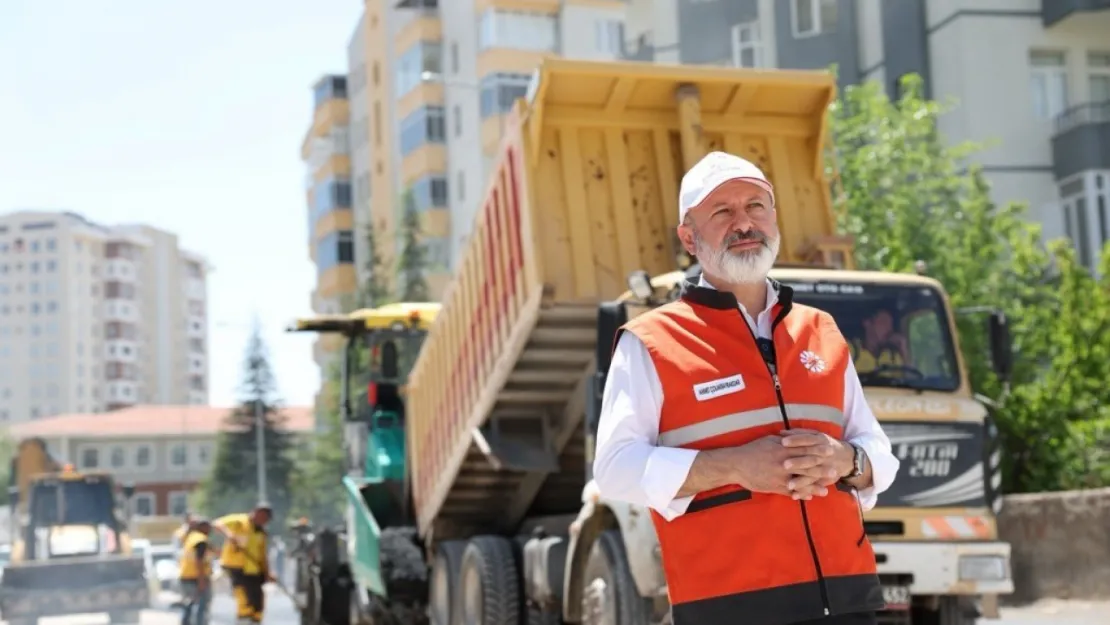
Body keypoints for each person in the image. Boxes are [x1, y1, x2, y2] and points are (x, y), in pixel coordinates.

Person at [592, 151, 900, 625]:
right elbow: (614, 469)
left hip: (847, 599)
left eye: (756, 206)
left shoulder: (822, 329)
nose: (744, 223)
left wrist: (848, 461)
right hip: (729, 606)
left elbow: (877, 450)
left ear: (774, 219)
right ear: (689, 237)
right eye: (723, 212)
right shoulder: (652, 342)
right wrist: (734, 466)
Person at [213, 503, 274, 625]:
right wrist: (229, 534)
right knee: (243, 598)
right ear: (256, 513)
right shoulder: (239, 521)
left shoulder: (261, 534)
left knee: (258, 602)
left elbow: (263, 555)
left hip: (254, 569)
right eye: (262, 517)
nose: (263, 521)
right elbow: (217, 524)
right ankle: (243, 621)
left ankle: (255, 621)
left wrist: (267, 573)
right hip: (236, 567)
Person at [851, 310, 910, 374]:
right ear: (867, 322)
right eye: (884, 322)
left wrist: (903, 349)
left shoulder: (893, 357)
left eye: (890, 324)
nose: (889, 328)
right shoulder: (850, 350)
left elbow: (909, 380)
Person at [179, 518, 213, 625]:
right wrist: (201, 581)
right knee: (201, 606)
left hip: (185, 577)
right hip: (196, 578)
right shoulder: (201, 540)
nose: (210, 530)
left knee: (189, 605)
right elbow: (199, 561)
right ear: (203, 527)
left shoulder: (191, 537)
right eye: (208, 527)